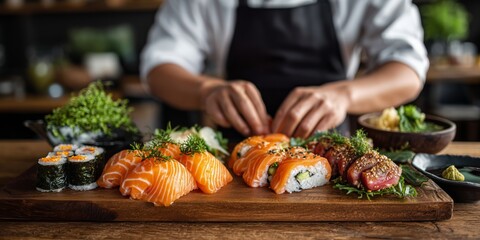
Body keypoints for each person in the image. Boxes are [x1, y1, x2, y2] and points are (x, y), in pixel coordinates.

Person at [140, 0, 428, 139]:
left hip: (332, 142)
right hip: (235, 146)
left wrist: (345, 95)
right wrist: (207, 91)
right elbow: (159, 68)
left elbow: (407, 69)